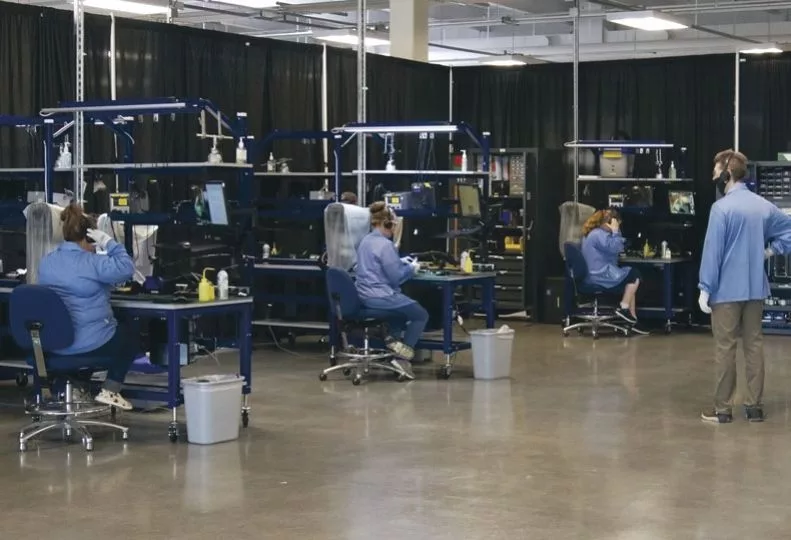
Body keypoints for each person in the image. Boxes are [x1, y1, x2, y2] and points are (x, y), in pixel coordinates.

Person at [698, 149, 791, 424]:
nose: (713, 176)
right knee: (754, 345)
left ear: (727, 174)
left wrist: (705, 287)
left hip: (725, 291)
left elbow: (713, 252)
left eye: (716, 171)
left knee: (725, 348)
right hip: (755, 289)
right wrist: (770, 251)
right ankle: (754, 407)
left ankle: (723, 410)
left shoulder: (721, 209)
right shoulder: (763, 206)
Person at [38, 204, 137, 411]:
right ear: (90, 238)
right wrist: (108, 242)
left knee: (108, 330)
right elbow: (127, 268)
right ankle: (111, 389)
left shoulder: (46, 262)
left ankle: (76, 384)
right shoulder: (93, 263)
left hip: (54, 343)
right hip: (89, 342)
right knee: (130, 335)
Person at [355, 202, 428, 379]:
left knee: (398, 315)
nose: (394, 229)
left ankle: (392, 351)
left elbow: (376, 265)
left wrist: (398, 261)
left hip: (364, 295)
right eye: (393, 225)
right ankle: (402, 359)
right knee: (420, 315)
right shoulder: (385, 245)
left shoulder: (365, 241)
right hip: (380, 296)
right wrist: (412, 268)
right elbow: (396, 277)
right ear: (387, 224)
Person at [580, 208, 642, 327]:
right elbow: (616, 248)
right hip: (600, 276)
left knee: (630, 284)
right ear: (611, 222)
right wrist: (615, 231)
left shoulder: (592, 233)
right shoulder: (599, 234)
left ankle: (632, 319)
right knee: (634, 275)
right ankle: (623, 308)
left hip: (591, 275)